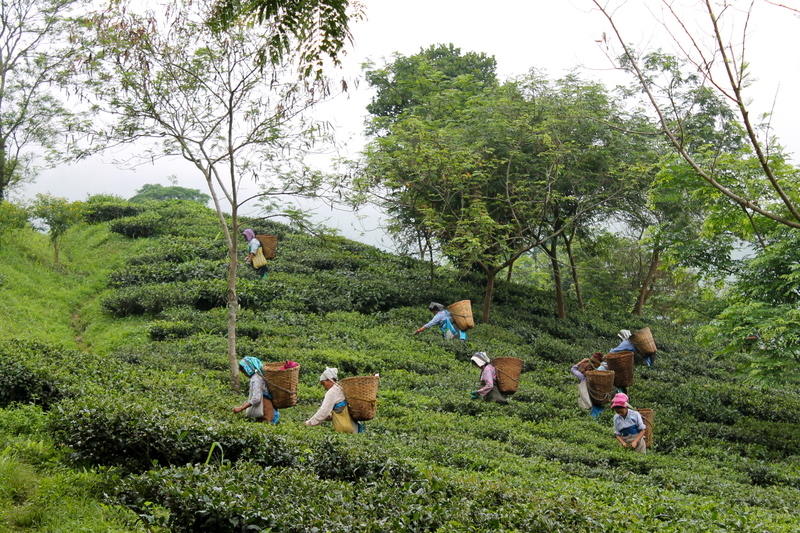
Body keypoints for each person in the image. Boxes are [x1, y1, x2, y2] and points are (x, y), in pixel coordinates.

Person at [304, 367, 363, 433]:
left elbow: (323, 411)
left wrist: (309, 423)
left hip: (345, 429)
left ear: (330, 380)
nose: (324, 387)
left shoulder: (332, 392)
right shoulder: (341, 389)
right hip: (355, 428)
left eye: (324, 383)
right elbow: (340, 410)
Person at [232, 356, 279, 424]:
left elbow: (256, 399)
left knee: (263, 426)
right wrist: (247, 404)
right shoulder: (261, 376)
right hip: (269, 408)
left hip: (264, 409)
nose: (245, 374)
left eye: (244, 371)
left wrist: (242, 408)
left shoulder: (255, 379)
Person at [571, 352, 609, 420]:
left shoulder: (582, 377)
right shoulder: (595, 373)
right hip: (599, 396)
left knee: (590, 411)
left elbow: (573, 369)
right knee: (599, 411)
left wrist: (581, 362)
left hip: (589, 397)